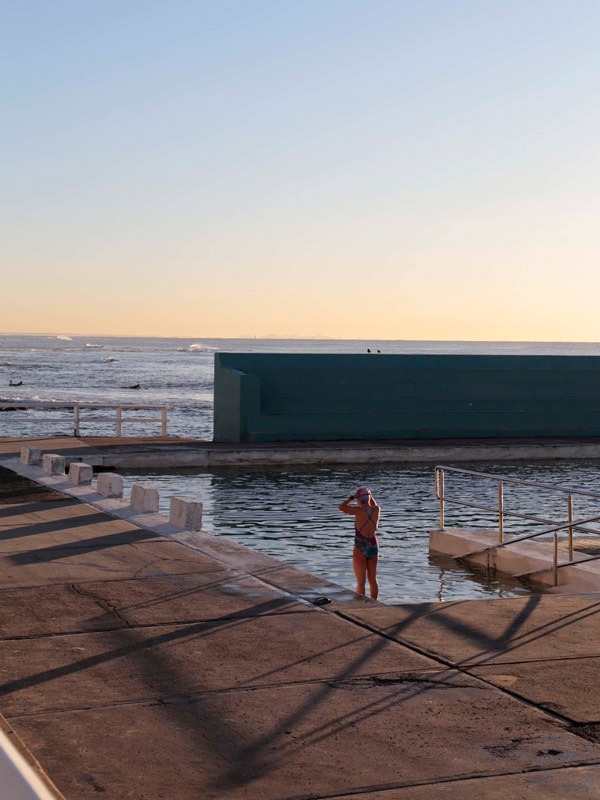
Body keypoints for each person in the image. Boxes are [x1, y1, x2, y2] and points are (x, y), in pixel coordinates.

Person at [339, 487, 380, 600]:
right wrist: (369, 494)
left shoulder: (358, 511)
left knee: (361, 581)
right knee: (373, 579)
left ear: (358, 500)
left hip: (360, 545)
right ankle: (375, 604)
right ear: (369, 498)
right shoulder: (376, 510)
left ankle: (361, 605)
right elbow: (373, 503)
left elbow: (342, 507)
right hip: (373, 545)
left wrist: (352, 497)